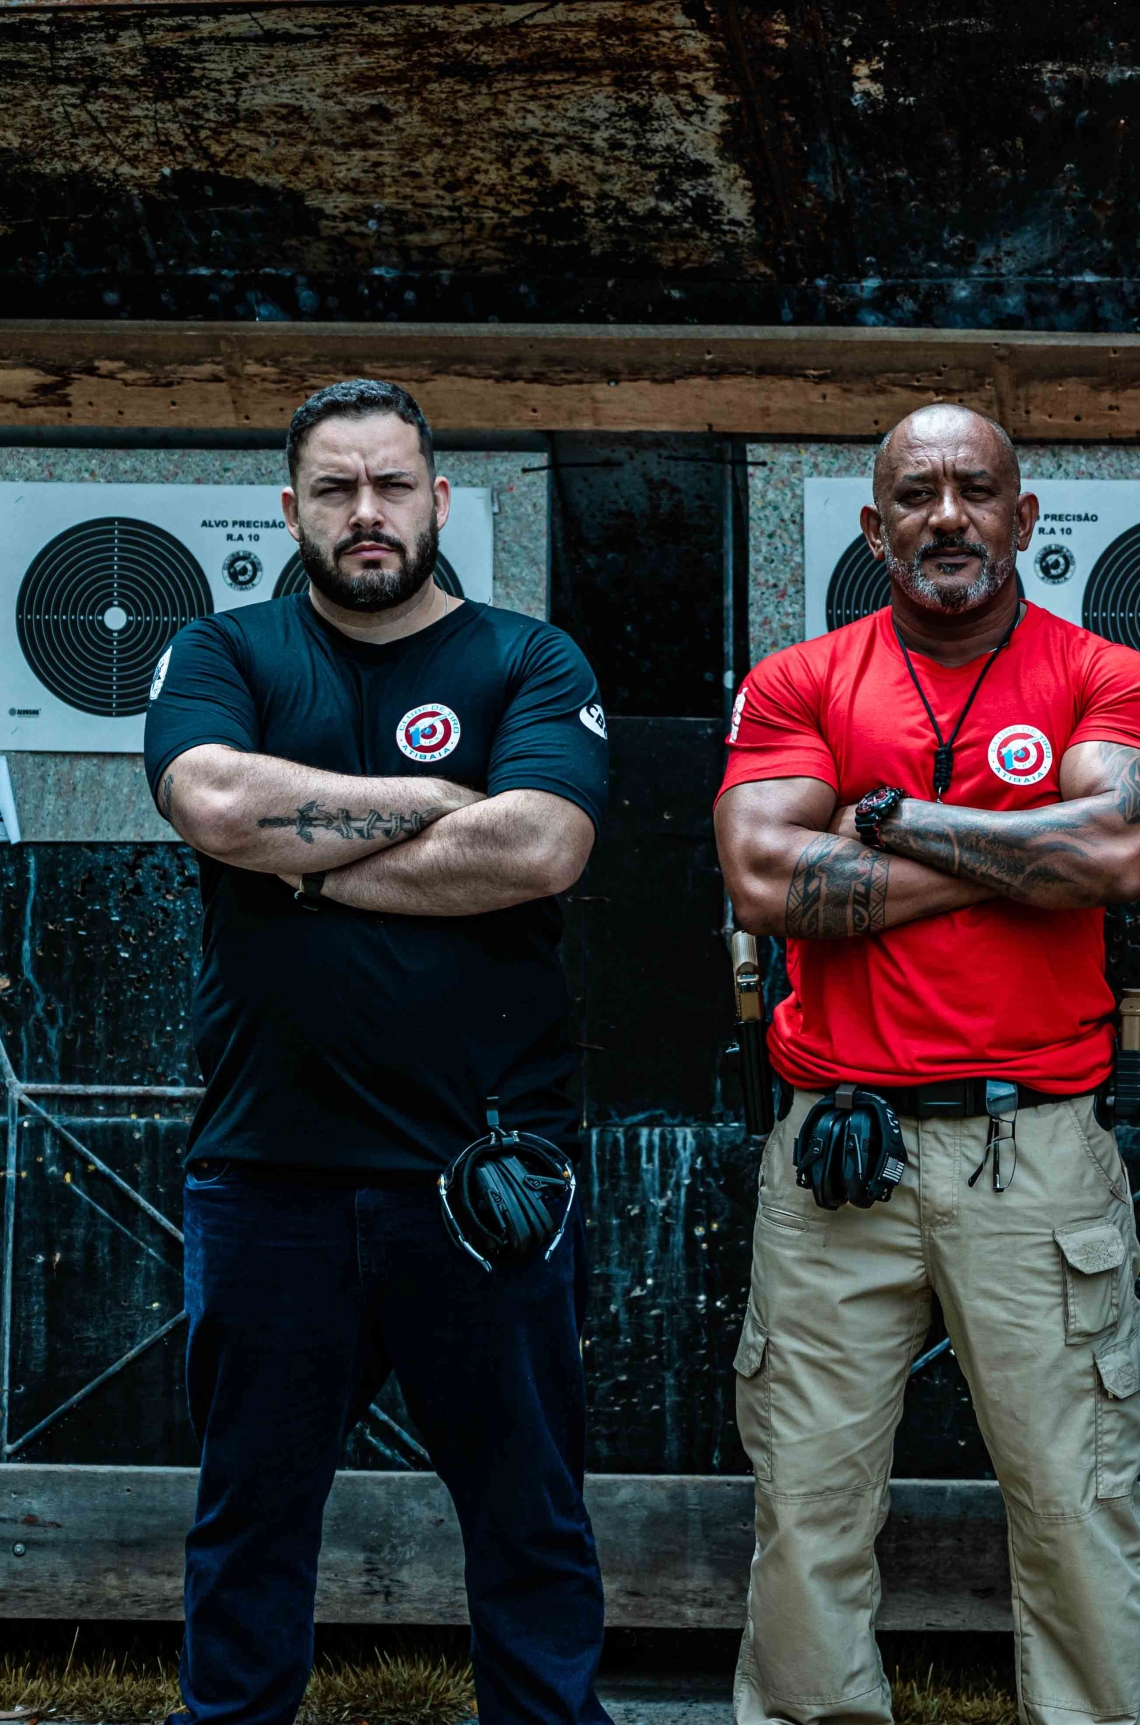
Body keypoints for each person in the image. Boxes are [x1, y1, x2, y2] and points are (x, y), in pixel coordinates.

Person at [142, 379, 613, 1725]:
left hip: (485, 1178)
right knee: (249, 1524)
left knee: (529, 1523)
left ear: (438, 499)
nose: (367, 513)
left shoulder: (531, 661)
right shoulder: (223, 651)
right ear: (291, 508)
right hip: (268, 1174)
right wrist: (430, 804)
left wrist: (295, 862)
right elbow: (213, 799)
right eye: (336, 489)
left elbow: (539, 846)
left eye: (393, 485)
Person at [713, 403, 1140, 1725]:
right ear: (875, 530)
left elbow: (1117, 853)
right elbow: (765, 879)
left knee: (1075, 1501)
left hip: (1032, 1148)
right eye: (916, 497)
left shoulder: (1102, 672)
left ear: (1022, 518)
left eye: (976, 491)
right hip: (838, 1148)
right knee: (806, 1503)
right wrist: (1015, 854)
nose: (947, 518)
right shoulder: (803, 680)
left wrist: (894, 823)